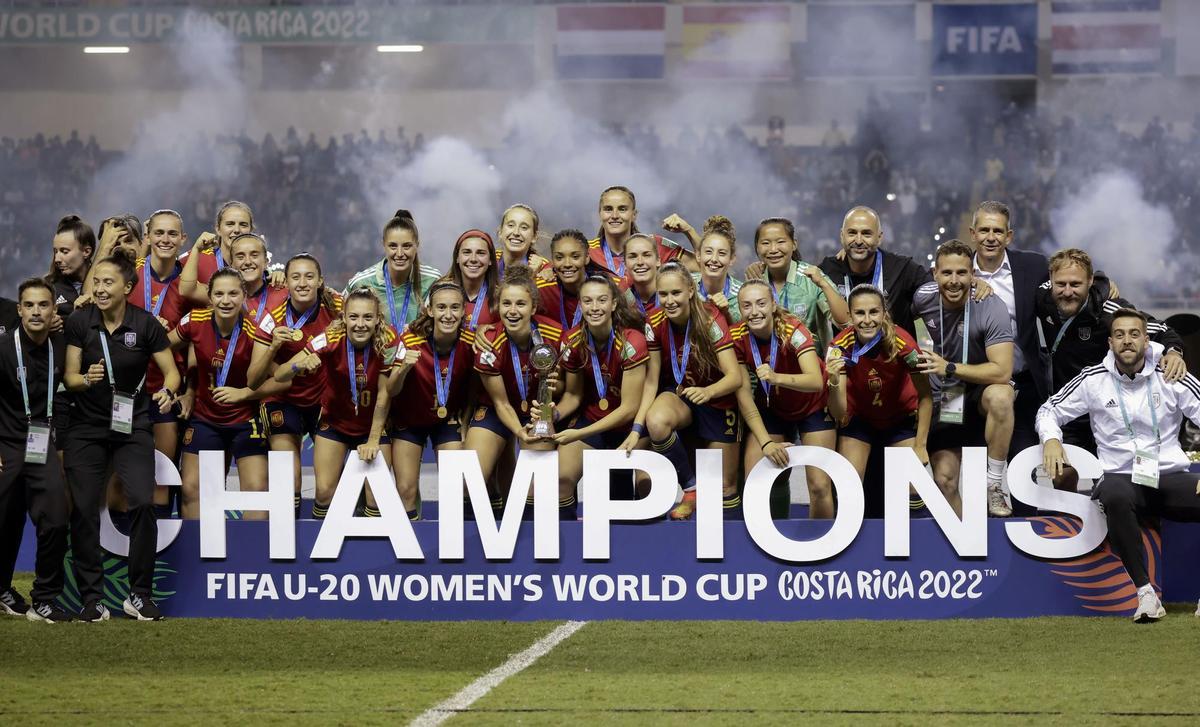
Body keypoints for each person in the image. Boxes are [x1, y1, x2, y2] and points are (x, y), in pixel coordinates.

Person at [1037, 309, 1200, 623]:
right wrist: (1052, 440)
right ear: (1110, 342)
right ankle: (1146, 596)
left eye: (1134, 334)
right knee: (1112, 492)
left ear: (1146, 339)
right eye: (1120, 334)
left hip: (1167, 476)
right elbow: (1048, 410)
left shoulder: (1171, 373)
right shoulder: (1093, 379)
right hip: (1122, 479)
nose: (1128, 341)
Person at [63, 255, 179, 621]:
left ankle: (139, 595)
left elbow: (171, 374)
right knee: (83, 509)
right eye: (96, 281)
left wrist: (169, 392)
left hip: (133, 426)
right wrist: (87, 379)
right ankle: (92, 599)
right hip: (87, 428)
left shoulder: (145, 324)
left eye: (108, 282)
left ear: (128, 288)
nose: (99, 288)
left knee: (143, 503)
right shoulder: (81, 321)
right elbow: (69, 377)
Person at [1035, 248, 1187, 491]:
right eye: (1060, 284)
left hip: (1109, 413)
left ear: (1090, 282)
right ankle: (1072, 522)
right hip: (1072, 407)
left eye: (1075, 284)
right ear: (1050, 281)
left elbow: (1163, 330)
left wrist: (1173, 352)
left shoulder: (1110, 310)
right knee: (1061, 476)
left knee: (1121, 485)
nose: (1067, 291)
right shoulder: (1043, 297)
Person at [912, 240, 1015, 517]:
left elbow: (1003, 371)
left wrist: (949, 367)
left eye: (962, 273)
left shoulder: (991, 305)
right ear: (935, 273)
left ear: (973, 275)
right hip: (947, 397)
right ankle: (966, 549)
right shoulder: (923, 297)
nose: (954, 281)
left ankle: (994, 484)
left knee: (1002, 396)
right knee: (944, 480)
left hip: (980, 393)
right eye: (947, 273)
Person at [275, 289, 397, 520]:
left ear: (377, 319)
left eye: (367, 317)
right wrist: (298, 366)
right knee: (323, 492)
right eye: (353, 317)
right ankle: (322, 550)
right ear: (344, 318)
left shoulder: (388, 341)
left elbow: (384, 395)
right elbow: (280, 375)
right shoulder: (329, 339)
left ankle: (373, 553)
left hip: (373, 427)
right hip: (335, 425)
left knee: (376, 495)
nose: (360, 324)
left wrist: (373, 439)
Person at [170, 268, 274, 520]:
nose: (225, 300)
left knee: (257, 492)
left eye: (233, 294)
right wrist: (183, 387)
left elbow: (281, 382)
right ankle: (196, 556)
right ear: (210, 296)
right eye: (219, 294)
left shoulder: (256, 331)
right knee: (192, 489)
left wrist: (244, 394)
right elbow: (161, 346)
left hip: (245, 421)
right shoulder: (194, 321)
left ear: (244, 295)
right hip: (205, 419)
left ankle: (252, 556)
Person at [644, 263, 745, 520]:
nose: (669, 300)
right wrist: (637, 427)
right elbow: (652, 380)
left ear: (690, 290)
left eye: (675, 293)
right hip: (682, 394)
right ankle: (691, 487)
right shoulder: (654, 321)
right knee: (656, 422)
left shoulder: (710, 319)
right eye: (663, 294)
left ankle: (735, 551)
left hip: (718, 399)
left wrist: (709, 392)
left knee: (724, 487)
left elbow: (734, 377)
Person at [247, 254, 344, 513]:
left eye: (309, 276)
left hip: (324, 400)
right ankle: (289, 546)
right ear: (285, 282)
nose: (303, 283)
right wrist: (274, 348)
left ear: (321, 281)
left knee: (327, 486)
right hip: (283, 400)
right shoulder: (271, 317)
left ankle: (323, 544)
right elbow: (253, 380)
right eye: (296, 277)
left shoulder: (338, 307)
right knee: (289, 481)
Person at [0, 279, 71, 622]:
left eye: (43, 305)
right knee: (4, 522)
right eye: (29, 305)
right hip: (6, 446)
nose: (36, 312)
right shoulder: (2, 348)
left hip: (42, 446)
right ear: (19, 310)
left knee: (56, 519)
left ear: (54, 310)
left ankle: (44, 598)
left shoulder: (62, 343)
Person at [463, 266, 562, 510]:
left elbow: (566, 387)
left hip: (540, 411)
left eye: (521, 304)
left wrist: (553, 400)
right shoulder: (489, 342)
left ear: (533, 308)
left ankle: (532, 533)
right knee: (468, 480)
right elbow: (501, 403)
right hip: (498, 411)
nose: (513, 310)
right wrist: (519, 432)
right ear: (498, 306)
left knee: (533, 487)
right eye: (506, 303)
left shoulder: (555, 334)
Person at [733, 280, 835, 518]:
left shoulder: (792, 330)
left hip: (814, 405)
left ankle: (821, 549)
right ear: (739, 309)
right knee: (754, 478)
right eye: (746, 306)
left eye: (761, 303)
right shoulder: (736, 336)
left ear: (773, 305)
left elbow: (815, 381)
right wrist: (765, 442)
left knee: (820, 485)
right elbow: (744, 395)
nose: (754, 311)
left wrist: (776, 377)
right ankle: (766, 545)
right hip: (773, 407)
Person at [826, 285, 933, 509]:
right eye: (859, 313)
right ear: (849, 315)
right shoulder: (839, 347)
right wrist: (834, 380)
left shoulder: (904, 343)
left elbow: (925, 396)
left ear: (884, 313)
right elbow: (838, 412)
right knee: (848, 483)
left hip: (899, 419)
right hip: (860, 421)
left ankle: (912, 541)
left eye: (874, 312)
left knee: (915, 487)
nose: (867, 320)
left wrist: (921, 445)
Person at [552, 275, 651, 515]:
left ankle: (646, 547)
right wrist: (552, 414)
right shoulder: (572, 340)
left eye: (601, 300)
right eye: (588, 301)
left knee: (645, 483)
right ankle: (568, 541)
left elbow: (629, 408)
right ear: (580, 304)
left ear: (614, 304)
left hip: (630, 426)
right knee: (561, 478)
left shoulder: (632, 341)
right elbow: (573, 395)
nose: (594, 307)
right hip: (593, 420)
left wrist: (580, 433)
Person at [968, 201, 1052, 459]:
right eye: (984, 230)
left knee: (1024, 471)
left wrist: (1104, 282)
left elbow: (1073, 273)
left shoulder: (1033, 266)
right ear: (972, 234)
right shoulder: (957, 272)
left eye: (997, 231)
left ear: (1009, 236)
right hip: (969, 385)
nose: (990, 238)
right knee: (966, 474)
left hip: (1023, 384)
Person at [389, 281, 473, 520]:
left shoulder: (470, 343)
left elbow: (475, 387)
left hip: (446, 420)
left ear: (464, 311)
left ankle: (451, 548)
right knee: (405, 489)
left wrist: (465, 421)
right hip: (410, 419)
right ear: (430, 310)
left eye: (455, 308)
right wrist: (403, 369)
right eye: (442, 307)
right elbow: (391, 390)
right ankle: (411, 546)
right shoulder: (410, 341)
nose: (448, 315)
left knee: (455, 486)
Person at [133, 209, 189, 517]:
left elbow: (197, 340)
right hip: (127, 392)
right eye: (159, 233)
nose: (165, 239)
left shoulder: (189, 284)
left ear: (183, 239)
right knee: (123, 473)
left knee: (163, 476)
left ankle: (161, 551)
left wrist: (188, 390)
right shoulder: (129, 275)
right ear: (148, 237)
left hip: (167, 391)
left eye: (172, 234)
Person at [817, 206, 932, 334]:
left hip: (895, 353)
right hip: (846, 354)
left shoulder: (902, 268)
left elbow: (937, 296)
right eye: (852, 233)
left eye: (866, 233)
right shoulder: (828, 269)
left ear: (879, 237)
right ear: (842, 236)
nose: (859, 240)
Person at [750, 217, 847, 352]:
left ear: (794, 244)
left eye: (781, 242)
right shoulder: (754, 283)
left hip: (813, 368)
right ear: (757, 247)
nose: (773, 249)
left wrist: (824, 285)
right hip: (768, 369)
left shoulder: (812, 278)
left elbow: (846, 322)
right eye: (765, 243)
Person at [345, 210, 442, 330]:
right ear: (383, 245)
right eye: (393, 246)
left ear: (417, 245)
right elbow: (340, 321)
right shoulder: (361, 282)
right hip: (375, 349)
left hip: (416, 349)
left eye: (407, 246)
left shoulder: (433, 280)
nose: (400, 253)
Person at [589, 186, 696, 283]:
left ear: (634, 215)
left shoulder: (654, 245)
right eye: (608, 209)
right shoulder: (587, 251)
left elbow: (706, 265)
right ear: (600, 214)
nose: (615, 215)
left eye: (622, 209)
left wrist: (689, 231)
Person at [664, 214, 744, 327]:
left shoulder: (742, 295)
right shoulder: (683, 286)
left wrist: (726, 314)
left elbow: (745, 341)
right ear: (698, 256)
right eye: (708, 252)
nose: (714, 259)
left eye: (722, 253)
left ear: (731, 259)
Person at [178, 200, 253, 304]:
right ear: (218, 229)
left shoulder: (255, 266)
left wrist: (277, 276)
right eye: (230, 224)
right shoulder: (196, 258)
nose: (237, 230)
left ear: (251, 230)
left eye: (243, 225)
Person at [535, 230, 593, 334]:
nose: (567, 264)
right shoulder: (541, 289)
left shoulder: (608, 287)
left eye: (575, 257)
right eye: (559, 257)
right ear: (552, 260)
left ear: (587, 257)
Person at [447, 228, 500, 338]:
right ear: (457, 258)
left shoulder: (500, 298)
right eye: (466, 252)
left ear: (490, 260)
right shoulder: (441, 292)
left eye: (481, 253)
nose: (473, 259)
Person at [46, 214, 94, 318]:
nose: (57, 259)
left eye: (64, 251)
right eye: (56, 251)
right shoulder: (47, 287)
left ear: (86, 251)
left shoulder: (106, 284)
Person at [495, 204, 552, 279]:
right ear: (500, 232)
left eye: (524, 227)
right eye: (511, 225)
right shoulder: (487, 261)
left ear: (534, 237)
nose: (516, 233)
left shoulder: (546, 271)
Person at [623, 233, 665, 319]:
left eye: (646, 255)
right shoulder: (622, 303)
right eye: (633, 257)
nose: (640, 262)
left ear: (658, 260)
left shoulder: (673, 297)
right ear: (625, 264)